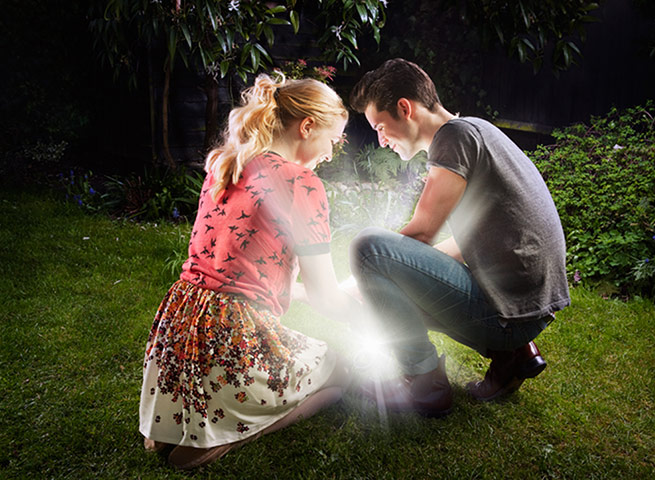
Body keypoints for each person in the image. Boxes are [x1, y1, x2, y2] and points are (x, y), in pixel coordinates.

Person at [139, 73, 358, 470]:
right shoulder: (301, 183)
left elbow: (247, 277)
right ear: (307, 126)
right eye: (332, 140)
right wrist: (366, 311)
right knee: (340, 371)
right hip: (234, 336)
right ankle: (229, 436)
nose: (331, 153)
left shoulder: (226, 165)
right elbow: (325, 297)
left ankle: (173, 421)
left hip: (178, 328)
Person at [348, 58, 570, 415]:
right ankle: (512, 357)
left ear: (404, 108)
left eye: (379, 127)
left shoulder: (453, 139)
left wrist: (362, 276)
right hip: (527, 307)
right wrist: (380, 281)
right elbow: (464, 246)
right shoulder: (474, 129)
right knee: (388, 274)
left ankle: (424, 385)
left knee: (368, 248)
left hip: (509, 315)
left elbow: (420, 234)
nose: (380, 140)